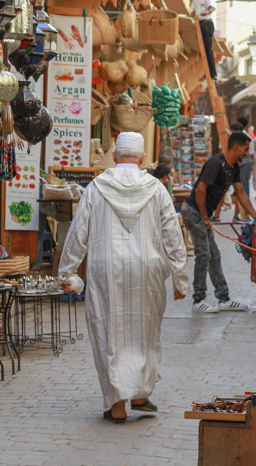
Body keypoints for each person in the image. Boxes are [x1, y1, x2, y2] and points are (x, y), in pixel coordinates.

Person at [57, 132, 191, 423]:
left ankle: (117, 406)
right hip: (148, 270)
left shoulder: (95, 187)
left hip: (106, 269)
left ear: (115, 157)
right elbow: (173, 237)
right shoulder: (156, 189)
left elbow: (78, 233)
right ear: (142, 159)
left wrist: (67, 272)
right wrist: (181, 280)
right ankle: (141, 394)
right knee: (144, 333)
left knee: (109, 332)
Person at [181, 132, 256, 313]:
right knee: (204, 254)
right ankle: (198, 300)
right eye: (246, 149)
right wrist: (204, 217)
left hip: (201, 214)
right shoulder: (215, 163)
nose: (247, 153)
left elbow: (241, 194)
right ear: (236, 147)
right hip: (193, 211)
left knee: (214, 254)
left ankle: (223, 298)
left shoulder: (234, 167)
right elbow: (200, 190)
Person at [191, 0, 217, 80]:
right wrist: (188, 16)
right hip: (199, 24)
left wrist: (207, 11)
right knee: (202, 50)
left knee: (207, 49)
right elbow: (193, 11)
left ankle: (213, 73)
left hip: (206, 23)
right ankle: (207, 72)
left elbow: (212, 7)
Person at [231, 121, 253, 222]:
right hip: (241, 164)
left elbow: (250, 154)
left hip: (244, 164)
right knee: (239, 189)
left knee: (243, 189)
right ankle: (238, 214)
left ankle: (245, 214)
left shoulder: (245, 139)